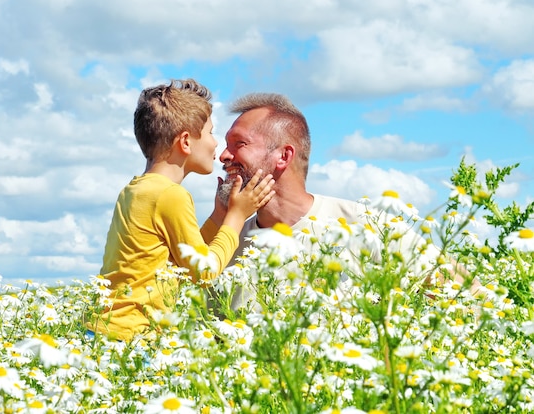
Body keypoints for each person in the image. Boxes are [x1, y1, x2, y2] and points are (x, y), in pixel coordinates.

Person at [201, 92, 473, 312]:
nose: (223, 156)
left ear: (283, 156)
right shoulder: (226, 247)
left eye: (240, 144)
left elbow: (469, 294)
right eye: (226, 145)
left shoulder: (367, 226)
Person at [86, 79, 275, 341]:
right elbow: (204, 270)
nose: (216, 146)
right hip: (132, 337)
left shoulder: (136, 190)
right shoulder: (170, 195)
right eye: (210, 132)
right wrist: (237, 215)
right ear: (185, 142)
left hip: (106, 330)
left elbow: (181, 262)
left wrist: (218, 217)